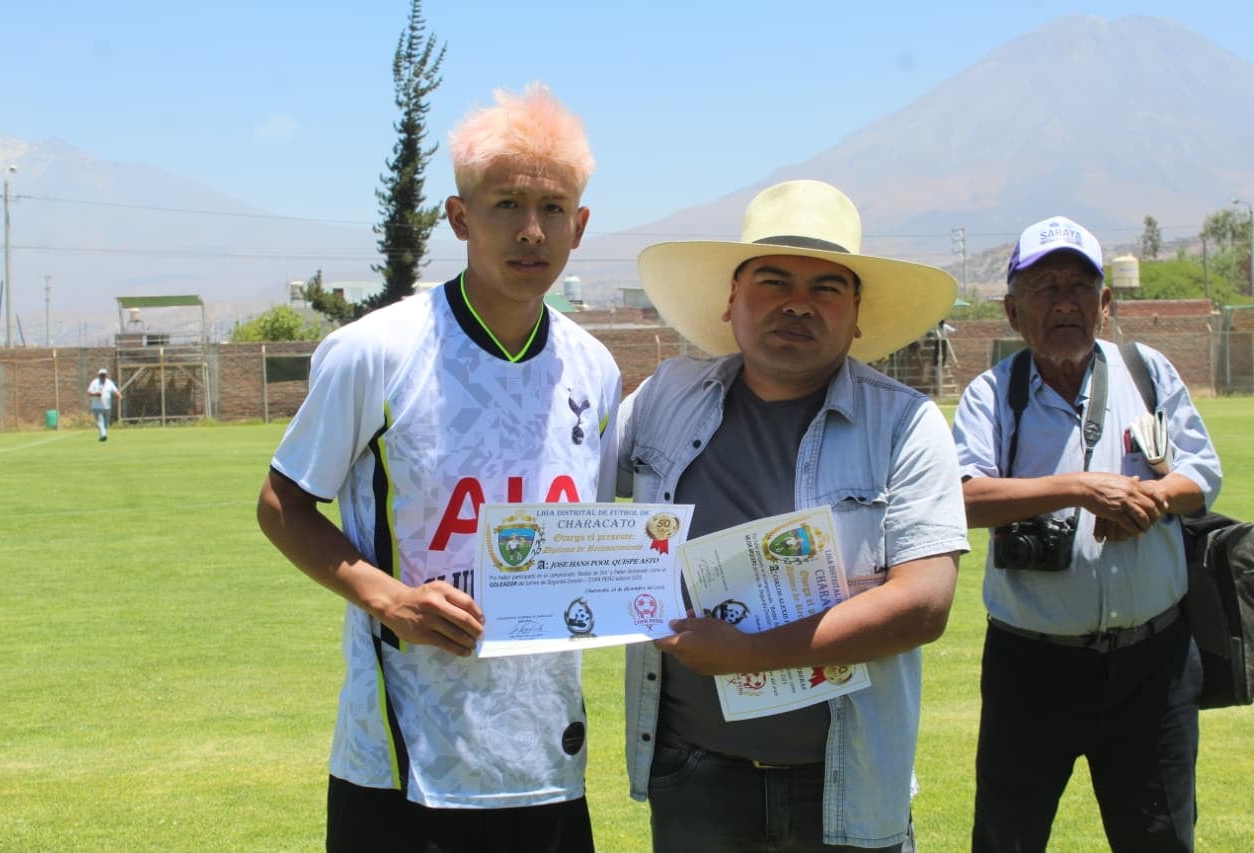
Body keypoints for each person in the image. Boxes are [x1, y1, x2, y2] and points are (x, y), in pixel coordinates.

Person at [256, 83, 620, 853]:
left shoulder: (595, 367)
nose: (531, 230)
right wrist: (391, 600)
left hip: (548, 754)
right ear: (460, 218)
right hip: (400, 758)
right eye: (505, 205)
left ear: (579, 226)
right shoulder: (375, 351)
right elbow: (281, 501)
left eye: (553, 209)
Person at [619, 179, 969, 851]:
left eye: (826, 288)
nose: (797, 305)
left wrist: (749, 653)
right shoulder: (666, 397)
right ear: (731, 300)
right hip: (694, 775)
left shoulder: (906, 423)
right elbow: (563, 486)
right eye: (773, 281)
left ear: (857, 312)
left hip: (843, 781)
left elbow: (926, 601)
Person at [952, 215, 1222, 852]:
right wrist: (1078, 487)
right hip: (1032, 665)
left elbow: (1202, 475)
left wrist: (1148, 498)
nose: (1064, 301)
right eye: (1044, 287)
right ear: (1014, 311)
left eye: (1080, 285)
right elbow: (962, 498)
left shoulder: (1146, 371)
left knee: (1160, 837)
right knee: (1008, 835)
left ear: (1106, 304)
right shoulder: (992, 394)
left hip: (1153, 663)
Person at [86, 367, 121, 441]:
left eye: (104, 375)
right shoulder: (94, 382)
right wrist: (96, 394)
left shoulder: (109, 382)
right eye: (101, 375)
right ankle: (104, 435)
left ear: (106, 375)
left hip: (107, 407)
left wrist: (119, 395)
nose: (103, 376)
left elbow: (115, 390)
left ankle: (102, 435)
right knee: (100, 421)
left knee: (106, 423)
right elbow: (89, 392)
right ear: (99, 375)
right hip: (97, 407)